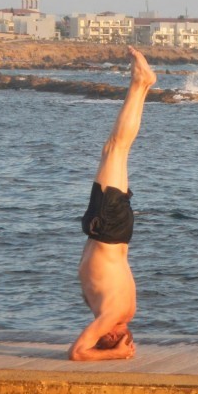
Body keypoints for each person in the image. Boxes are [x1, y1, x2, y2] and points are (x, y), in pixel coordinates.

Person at [68, 46, 157, 361]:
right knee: (116, 147)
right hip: (108, 228)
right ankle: (141, 83)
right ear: (116, 335)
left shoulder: (110, 310)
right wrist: (116, 354)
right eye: (104, 339)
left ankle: (143, 85)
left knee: (116, 149)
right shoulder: (114, 315)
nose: (97, 333)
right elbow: (77, 354)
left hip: (105, 229)